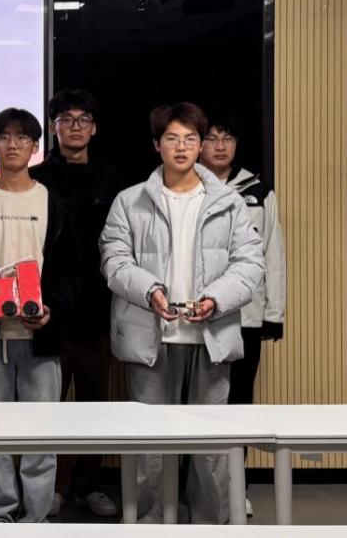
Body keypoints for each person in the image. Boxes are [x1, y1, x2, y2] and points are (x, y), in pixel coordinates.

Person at [100, 102, 264, 524]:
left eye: (191, 139)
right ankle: (148, 523)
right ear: (157, 145)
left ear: (200, 145)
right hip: (150, 336)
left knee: (211, 446)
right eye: (172, 138)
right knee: (149, 446)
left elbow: (250, 264)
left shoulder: (230, 202)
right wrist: (150, 290)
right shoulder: (129, 201)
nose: (181, 147)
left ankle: (211, 525)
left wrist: (215, 299)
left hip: (212, 336)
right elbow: (114, 260)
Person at [0, 108, 80, 524]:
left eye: (22, 137)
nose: (12, 144)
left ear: (35, 146)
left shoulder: (53, 203)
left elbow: (70, 272)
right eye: (3, 137)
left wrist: (51, 310)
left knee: (41, 432)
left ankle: (37, 516)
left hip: (40, 337)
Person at [28, 90, 122, 518]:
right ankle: (54, 486)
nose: (75, 126)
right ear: (54, 127)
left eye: (84, 119)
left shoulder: (110, 178)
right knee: (48, 405)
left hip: (97, 309)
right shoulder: (37, 178)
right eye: (66, 119)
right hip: (47, 308)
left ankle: (89, 485)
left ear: (94, 128)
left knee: (94, 401)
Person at [199, 113, 286, 517]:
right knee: (199, 405)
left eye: (227, 138)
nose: (220, 146)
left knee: (238, 404)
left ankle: (237, 486)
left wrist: (274, 313)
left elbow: (273, 252)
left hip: (246, 317)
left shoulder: (258, 190)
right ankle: (196, 490)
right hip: (199, 317)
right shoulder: (188, 186)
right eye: (212, 138)